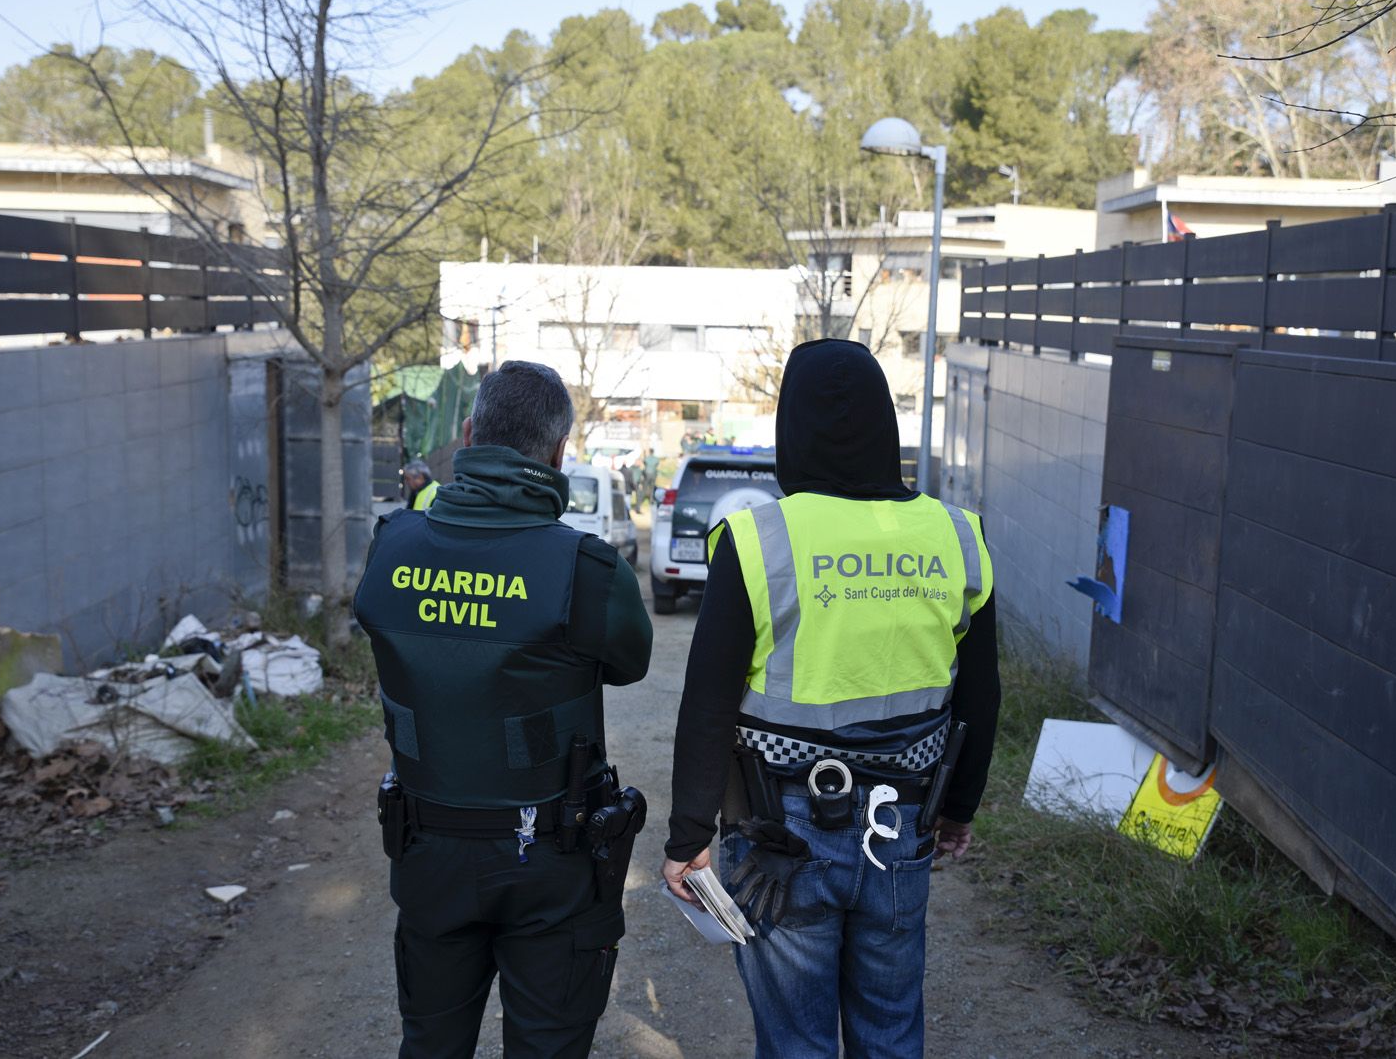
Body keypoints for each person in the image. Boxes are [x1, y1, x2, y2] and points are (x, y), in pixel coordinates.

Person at [660, 338, 1000, 1058]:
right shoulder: (956, 537)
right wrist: (959, 808)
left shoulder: (757, 540)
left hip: (779, 834)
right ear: (887, 427)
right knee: (889, 1032)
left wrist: (687, 835)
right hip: (902, 831)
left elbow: (708, 701)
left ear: (792, 429)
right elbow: (981, 695)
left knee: (795, 1044)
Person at [354, 360, 653, 1059]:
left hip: (428, 851)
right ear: (556, 453)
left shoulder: (390, 545)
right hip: (550, 861)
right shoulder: (585, 568)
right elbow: (629, 662)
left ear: (465, 436)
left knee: (429, 1043)